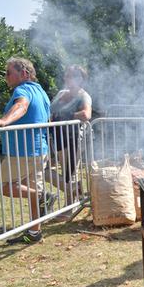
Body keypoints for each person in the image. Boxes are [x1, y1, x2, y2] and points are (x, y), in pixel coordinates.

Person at [0, 57, 53, 244]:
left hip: (22, 152)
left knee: (0, 184)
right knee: (30, 188)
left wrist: (4, 121)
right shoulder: (42, 92)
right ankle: (34, 232)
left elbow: (21, 106)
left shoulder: (23, 90)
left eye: (8, 73)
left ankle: (41, 196)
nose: (6, 77)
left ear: (24, 73)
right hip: (39, 150)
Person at [49, 65, 92, 199]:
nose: (67, 78)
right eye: (66, 75)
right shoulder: (61, 93)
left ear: (79, 78)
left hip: (74, 138)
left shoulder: (84, 95)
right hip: (57, 137)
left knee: (71, 172)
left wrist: (68, 115)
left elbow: (86, 114)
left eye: (70, 76)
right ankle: (76, 196)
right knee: (54, 171)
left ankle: (70, 207)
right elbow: (51, 111)